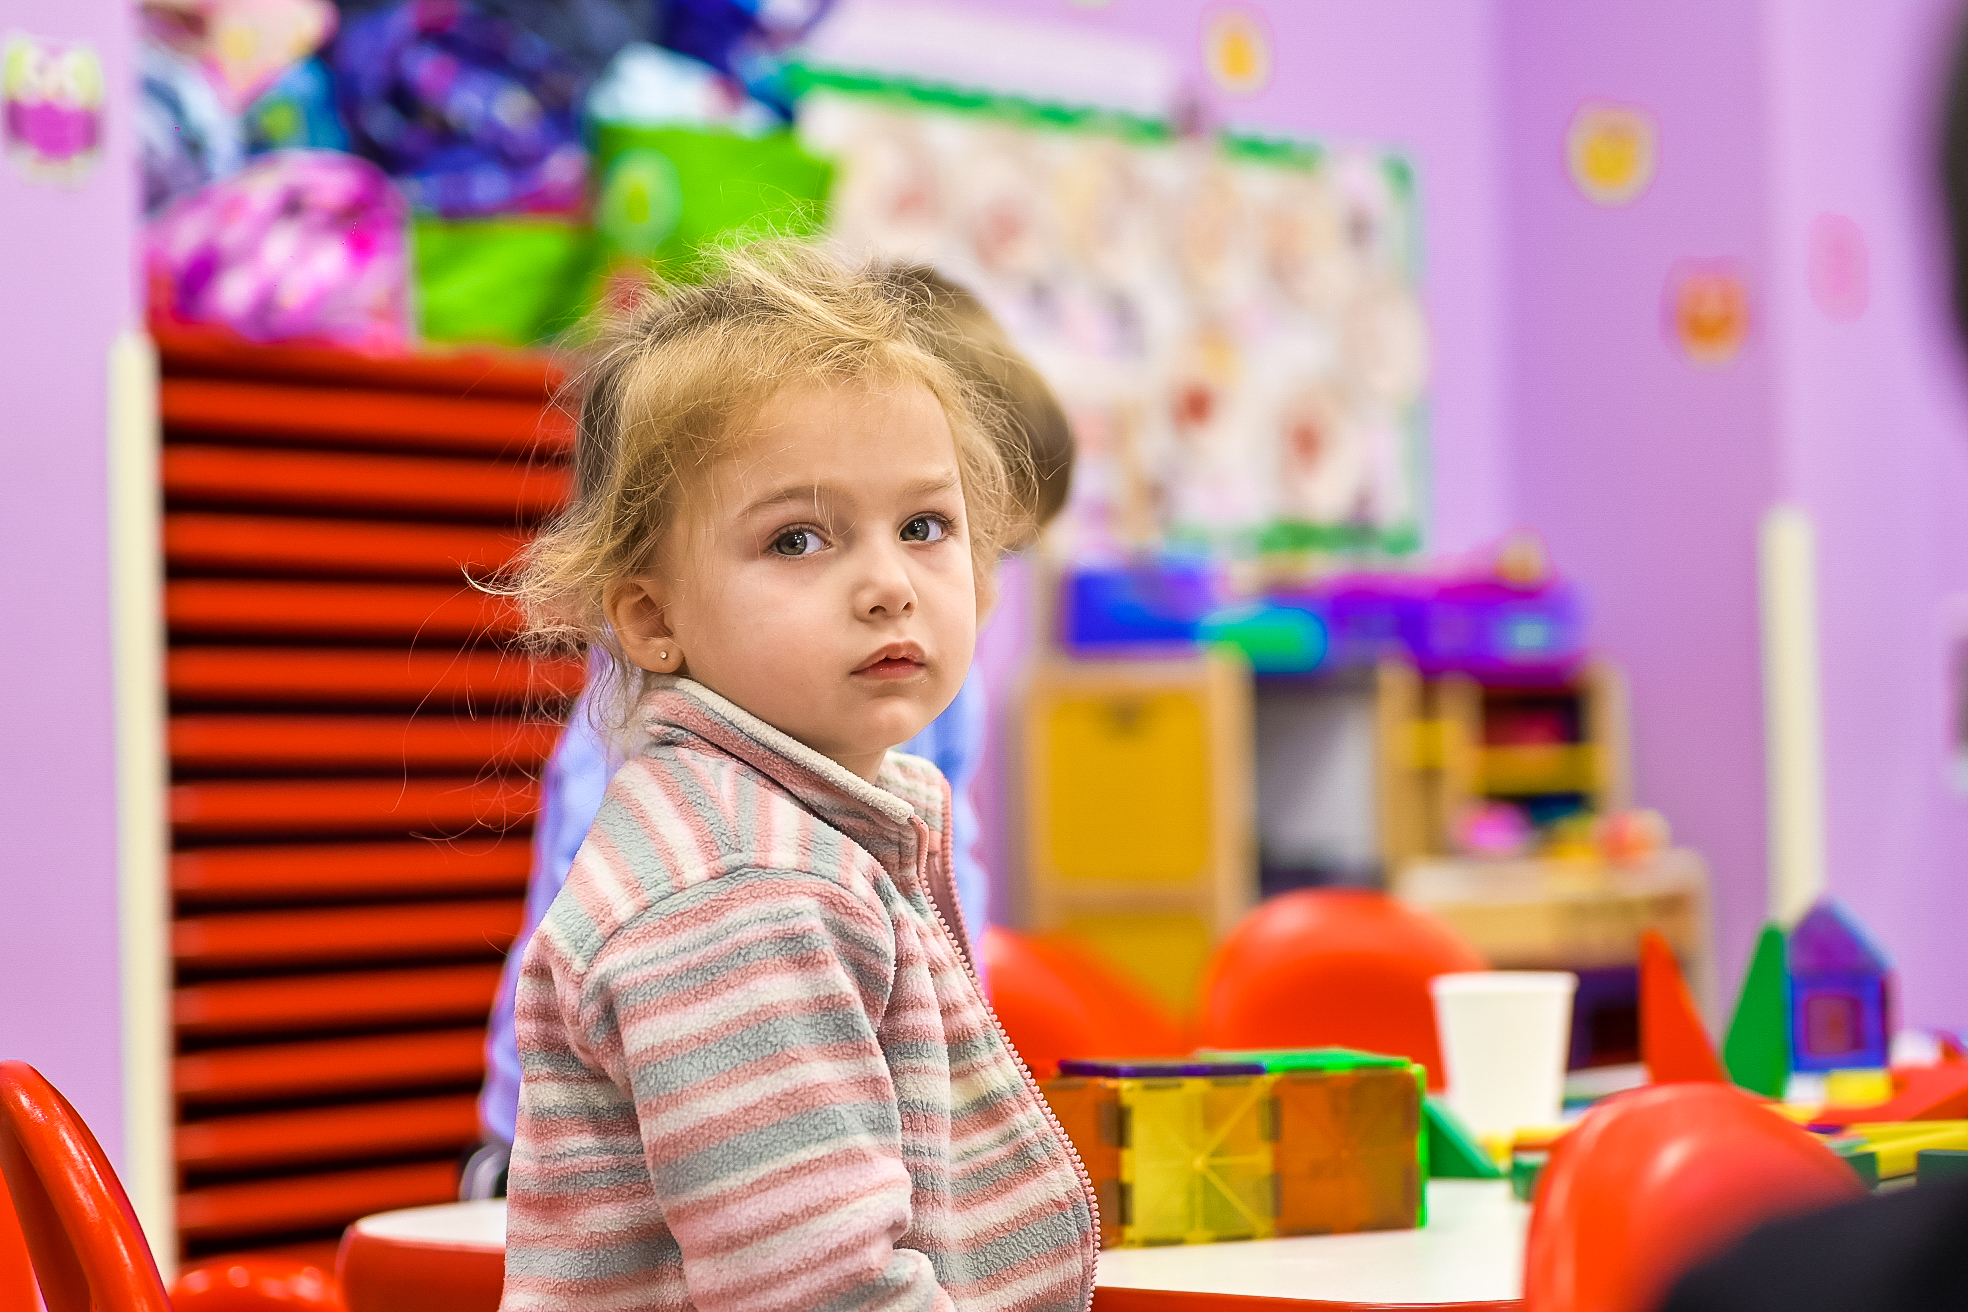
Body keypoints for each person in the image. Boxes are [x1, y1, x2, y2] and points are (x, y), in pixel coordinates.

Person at [496, 242, 1098, 1311]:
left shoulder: (831, 823)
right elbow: (825, 1295)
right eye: (799, 538)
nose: (886, 585)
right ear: (651, 618)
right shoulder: (738, 891)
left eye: (925, 526)